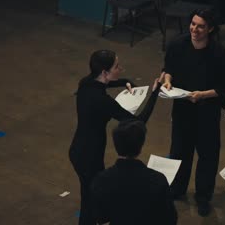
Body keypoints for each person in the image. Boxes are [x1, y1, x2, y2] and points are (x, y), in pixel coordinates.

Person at [69, 49, 163, 225]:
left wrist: (124, 81)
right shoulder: (103, 101)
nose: (121, 68)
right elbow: (138, 122)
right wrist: (155, 93)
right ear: (105, 72)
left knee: (88, 198)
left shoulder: (86, 84)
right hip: (90, 156)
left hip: (77, 150)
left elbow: (103, 84)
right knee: (92, 204)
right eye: (117, 67)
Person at [163, 8, 225, 216]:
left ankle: (203, 197)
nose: (195, 29)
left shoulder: (220, 54)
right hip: (182, 109)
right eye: (193, 24)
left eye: (201, 26)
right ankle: (177, 188)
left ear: (210, 29)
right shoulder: (178, 45)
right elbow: (168, 68)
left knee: (207, 155)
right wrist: (167, 80)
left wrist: (203, 95)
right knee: (179, 151)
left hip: (207, 112)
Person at [90, 119, 178, 225]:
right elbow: (170, 219)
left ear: (116, 145)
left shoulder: (101, 180)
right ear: (141, 146)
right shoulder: (158, 180)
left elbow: (101, 217)